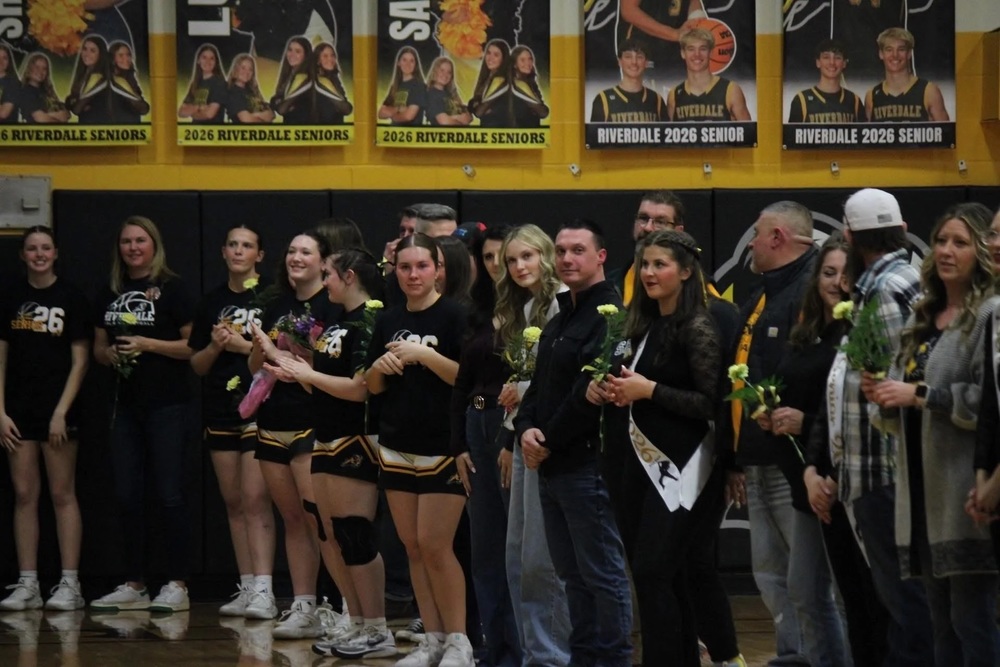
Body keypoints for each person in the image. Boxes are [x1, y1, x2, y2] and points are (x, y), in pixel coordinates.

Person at [871, 202, 1000, 666]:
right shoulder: (922, 315)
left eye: (960, 243)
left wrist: (922, 395)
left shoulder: (989, 314)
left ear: (982, 250)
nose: (946, 251)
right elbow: (901, 399)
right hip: (920, 496)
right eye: (942, 241)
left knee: (974, 623)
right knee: (940, 627)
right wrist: (884, 396)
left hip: (967, 491)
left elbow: (990, 402)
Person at [722, 202, 849, 667]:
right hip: (759, 454)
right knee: (773, 574)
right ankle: (794, 656)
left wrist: (800, 424)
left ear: (776, 236)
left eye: (756, 234)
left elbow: (818, 385)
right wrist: (736, 456)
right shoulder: (762, 293)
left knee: (811, 581)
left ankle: (826, 657)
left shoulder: (807, 295)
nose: (751, 243)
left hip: (795, 462)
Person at [594, 229, 722, 666]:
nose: (649, 273)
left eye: (660, 265)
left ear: (686, 272)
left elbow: (709, 403)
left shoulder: (698, 325)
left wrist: (648, 390)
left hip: (681, 468)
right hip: (634, 465)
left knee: (654, 572)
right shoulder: (642, 323)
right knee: (661, 574)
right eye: (645, 264)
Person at [819, 188, 933, 667]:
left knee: (907, 608)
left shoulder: (884, 291)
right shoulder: (906, 279)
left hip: (883, 474)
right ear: (903, 230)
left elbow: (885, 386)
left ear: (847, 238)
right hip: (884, 473)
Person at [515, 219, 633, 667]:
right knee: (571, 576)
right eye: (561, 250)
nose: (567, 258)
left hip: (587, 466)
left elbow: (591, 397)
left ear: (601, 256)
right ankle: (583, 658)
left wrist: (545, 438)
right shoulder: (561, 314)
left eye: (578, 250)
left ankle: (613, 659)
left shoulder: (611, 314)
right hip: (550, 465)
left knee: (602, 575)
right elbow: (539, 388)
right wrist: (526, 428)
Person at [272, 248, 398, 660]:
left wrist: (305, 372)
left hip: (356, 437)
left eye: (327, 274)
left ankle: (378, 628)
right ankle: (358, 622)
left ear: (348, 276)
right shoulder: (336, 325)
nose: (323, 282)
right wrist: (290, 365)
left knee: (354, 532)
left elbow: (361, 387)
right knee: (331, 532)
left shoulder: (370, 321)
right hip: (324, 435)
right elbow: (321, 382)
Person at [364, 233, 475, 667]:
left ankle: (460, 641)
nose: (412, 274)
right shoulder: (387, 320)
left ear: (438, 269)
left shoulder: (455, 317)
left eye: (421, 266)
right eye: (404, 267)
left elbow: (468, 382)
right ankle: (432, 638)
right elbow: (371, 388)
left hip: (442, 448)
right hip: (396, 447)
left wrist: (421, 355)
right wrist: (378, 368)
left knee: (435, 545)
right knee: (411, 546)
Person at [789, 234, 890, 667]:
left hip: (861, 481)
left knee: (876, 600)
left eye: (845, 273)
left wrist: (831, 473)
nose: (837, 282)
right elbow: (830, 412)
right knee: (845, 595)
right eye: (829, 273)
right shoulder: (819, 331)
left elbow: (869, 416)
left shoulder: (867, 329)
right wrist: (814, 470)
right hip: (821, 480)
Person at [90, 216, 196, 614]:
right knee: (126, 494)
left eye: (140, 241)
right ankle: (134, 582)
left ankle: (177, 583)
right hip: (124, 406)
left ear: (154, 245)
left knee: (169, 494)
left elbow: (191, 347)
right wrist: (111, 355)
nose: (133, 248)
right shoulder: (110, 290)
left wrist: (148, 344)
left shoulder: (174, 288)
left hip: (167, 404)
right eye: (126, 242)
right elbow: (99, 349)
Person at [247, 230, 341, 637]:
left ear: (324, 262)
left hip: (312, 419)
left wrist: (295, 358)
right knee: (291, 518)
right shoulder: (276, 303)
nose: (296, 257)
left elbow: (330, 368)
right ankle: (302, 604)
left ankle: (343, 606)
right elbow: (257, 366)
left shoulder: (331, 305)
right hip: (273, 420)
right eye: (291, 250)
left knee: (319, 518)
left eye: (306, 251)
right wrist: (259, 347)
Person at [0, 226, 90, 612]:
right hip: (18, 412)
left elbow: (81, 360)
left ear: (56, 253)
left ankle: (70, 584)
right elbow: (1, 356)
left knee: (61, 493)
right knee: (24, 495)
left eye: (46, 248)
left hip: (59, 414)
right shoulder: (10, 295)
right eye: (32, 249)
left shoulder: (70, 297)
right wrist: (0, 411)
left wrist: (61, 412)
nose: (39, 254)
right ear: (23, 255)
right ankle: (28, 583)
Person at [495, 224, 571, 667]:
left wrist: (522, 391)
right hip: (522, 433)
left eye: (528, 256)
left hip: (550, 441)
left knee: (543, 559)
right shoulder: (524, 309)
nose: (520, 266)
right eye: (511, 260)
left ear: (546, 256)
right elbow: (491, 391)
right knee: (518, 556)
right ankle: (535, 652)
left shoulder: (563, 302)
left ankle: (553, 655)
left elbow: (561, 380)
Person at [188, 225, 272, 618]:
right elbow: (198, 365)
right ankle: (248, 583)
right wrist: (214, 345)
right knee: (234, 501)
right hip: (220, 407)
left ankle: (266, 589)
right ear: (223, 252)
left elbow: (277, 354)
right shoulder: (211, 302)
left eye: (247, 246)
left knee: (256, 499)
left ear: (260, 255)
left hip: (261, 406)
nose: (239, 251)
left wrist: (241, 345)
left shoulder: (270, 298)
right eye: (233, 245)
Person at [451, 225, 521, 667]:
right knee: (485, 550)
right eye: (492, 258)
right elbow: (461, 382)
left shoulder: (534, 311)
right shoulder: (475, 310)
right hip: (475, 426)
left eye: (507, 258)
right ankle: (491, 649)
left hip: (508, 426)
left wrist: (512, 437)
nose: (500, 267)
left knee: (517, 549)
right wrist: (457, 443)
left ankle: (519, 649)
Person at [608, 190, 684, 305]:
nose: (648, 228)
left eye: (660, 222)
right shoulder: (609, 285)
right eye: (643, 218)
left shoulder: (699, 289)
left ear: (678, 232)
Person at [865, 27, 949, 123]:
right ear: (881, 54)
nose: (895, 55)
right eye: (889, 50)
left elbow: (946, 134)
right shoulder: (871, 96)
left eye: (901, 49)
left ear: (909, 53)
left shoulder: (929, 91)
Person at [667, 28, 751, 122]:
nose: (697, 54)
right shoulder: (674, 95)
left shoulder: (731, 90)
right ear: (683, 53)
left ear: (711, 53)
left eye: (703, 49)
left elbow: (748, 133)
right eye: (691, 49)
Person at [616, 0, 706, 88]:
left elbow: (694, 2)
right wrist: (675, 34)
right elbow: (629, 11)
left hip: (678, 50)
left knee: (681, 99)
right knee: (649, 100)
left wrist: (695, 19)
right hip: (644, 49)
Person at [590, 39, 665, 124]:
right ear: (620, 62)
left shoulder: (657, 100)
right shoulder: (603, 99)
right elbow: (595, 136)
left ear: (646, 63)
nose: (634, 62)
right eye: (628, 57)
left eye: (639, 57)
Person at [787, 40, 863, 124]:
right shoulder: (801, 100)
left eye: (837, 57)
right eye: (826, 57)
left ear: (844, 63)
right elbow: (792, 136)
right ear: (818, 62)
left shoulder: (854, 101)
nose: (832, 62)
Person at [65, 34, 111, 124]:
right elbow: (70, 100)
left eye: (92, 51)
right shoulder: (83, 73)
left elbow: (76, 109)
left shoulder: (100, 78)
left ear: (101, 54)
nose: (87, 54)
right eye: (85, 49)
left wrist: (76, 103)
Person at [468, 39, 512, 128]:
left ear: (503, 59)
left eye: (496, 55)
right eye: (488, 53)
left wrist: (478, 106)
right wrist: (476, 105)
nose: (490, 58)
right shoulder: (486, 78)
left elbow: (479, 112)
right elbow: (474, 102)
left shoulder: (501, 81)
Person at [178, 44, 226, 124]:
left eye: (212, 58)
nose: (208, 61)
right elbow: (181, 112)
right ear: (198, 60)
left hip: (213, 132)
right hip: (196, 132)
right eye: (204, 57)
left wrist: (191, 112)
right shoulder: (195, 83)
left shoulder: (219, 83)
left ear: (216, 62)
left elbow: (209, 114)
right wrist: (199, 107)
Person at [379, 46, 426, 127]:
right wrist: (398, 109)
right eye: (404, 60)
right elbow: (381, 113)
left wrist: (391, 114)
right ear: (398, 63)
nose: (407, 64)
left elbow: (408, 116)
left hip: (412, 135)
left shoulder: (419, 86)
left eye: (411, 61)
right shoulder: (395, 86)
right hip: (394, 135)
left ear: (415, 65)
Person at [271, 36, 314, 124]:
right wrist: (280, 102)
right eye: (290, 50)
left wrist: (281, 103)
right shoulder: (289, 74)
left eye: (297, 51)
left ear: (306, 55)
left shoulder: (305, 78)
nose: (292, 54)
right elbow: (275, 99)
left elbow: (282, 109)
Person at [18, 53, 69, 124]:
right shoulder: (26, 91)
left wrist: (49, 115)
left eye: (44, 68)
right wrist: (57, 116)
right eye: (37, 67)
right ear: (29, 68)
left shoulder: (46, 90)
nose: (40, 71)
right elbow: (40, 119)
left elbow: (66, 114)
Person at [107, 41, 150, 123]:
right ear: (113, 59)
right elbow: (143, 108)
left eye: (128, 54)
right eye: (121, 55)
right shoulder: (114, 80)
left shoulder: (129, 77)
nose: (126, 58)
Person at [224, 55, 274, 124]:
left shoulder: (252, 90)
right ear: (236, 69)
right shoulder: (233, 92)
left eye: (250, 69)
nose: (247, 72)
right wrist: (262, 117)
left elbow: (271, 114)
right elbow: (247, 120)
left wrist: (256, 115)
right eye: (243, 68)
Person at [312, 42, 352, 124]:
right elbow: (346, 108)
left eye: (332, 55)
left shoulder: (333, 78)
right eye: (325, 56)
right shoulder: (319, 81)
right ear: (318, 60)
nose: (330, 59)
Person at [425, 56, 471, 127]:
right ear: (435, 71)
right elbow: (444, 121)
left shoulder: (451, 94)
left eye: (449, 72)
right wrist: (459, 119)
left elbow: (469, 117)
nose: (445, 75)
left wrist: (453, 118)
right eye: (442, 70)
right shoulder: (432, 94)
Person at [509, 46, 548, 128]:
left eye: (530, 59)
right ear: (515, 64)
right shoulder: (516, 85)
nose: (528, 63)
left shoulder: (531, 83)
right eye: (522, 60)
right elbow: (543, 112)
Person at [0, 41, 19, 124]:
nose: (0, 61)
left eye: (4, 58)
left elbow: (3, 113)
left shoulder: (13, 83)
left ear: (9, 62)